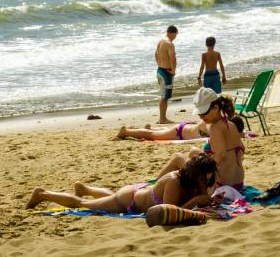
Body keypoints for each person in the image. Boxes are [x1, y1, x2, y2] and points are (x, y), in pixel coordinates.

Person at [25, 153, 217, 213]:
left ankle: (86, 189)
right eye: (204, 177)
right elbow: (169, 211)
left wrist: (208, 198)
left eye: (208, 177)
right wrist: (195, 201)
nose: (206, 181)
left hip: (138, 192)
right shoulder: (175, 181)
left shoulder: (195, 179)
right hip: (129, 200)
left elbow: (203, 197)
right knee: (82, 205)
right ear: (195, 173)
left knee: (109, 198)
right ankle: (42, 194)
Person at [157, 88, 245, 190]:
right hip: (238, 184)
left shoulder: (215, 128)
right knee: (194, 153)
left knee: (178, 158)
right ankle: (157, 183)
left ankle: (155, 185)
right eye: (199, 114)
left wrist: (209, 179)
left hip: (221, 186)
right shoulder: (230, 125)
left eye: (204, 113)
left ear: (216, 108)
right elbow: (240, 149)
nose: (201, 117)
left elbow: (220, 155)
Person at [155, 25, 178, 124]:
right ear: (171, 33)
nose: (175, 37)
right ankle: (162, 119)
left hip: (160, 70)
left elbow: (155, 54)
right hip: (166, 72)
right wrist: (173, 70)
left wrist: (160, 64)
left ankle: (163, 118)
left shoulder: (161, 41)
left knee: (164, 96)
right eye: (175, 35)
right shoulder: (169, 44)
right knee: (164, 96)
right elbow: (172, 58)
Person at [115, 120, 209, 141]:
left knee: (155, 132)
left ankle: (150, 128)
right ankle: (126, 132)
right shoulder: (213, 124)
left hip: (184, 128)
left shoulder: (213, 119)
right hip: (179, 132)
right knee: (152, 135)